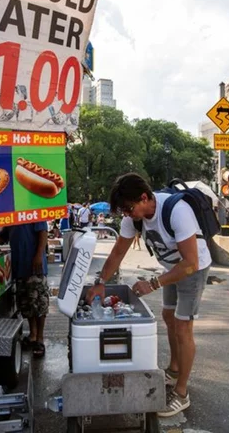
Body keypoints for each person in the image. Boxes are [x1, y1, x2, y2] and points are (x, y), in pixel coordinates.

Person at [86, 173, 212, 417]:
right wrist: (100, 282)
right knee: (168, 316)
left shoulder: (177, 211)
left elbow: (190, 263)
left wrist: (153, 283)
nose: (126, 214)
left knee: (184, 327)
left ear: (144, 198)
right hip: (171, 268)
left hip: (192, 268)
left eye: (128, 208)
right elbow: (117, 253)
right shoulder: (132, 219)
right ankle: (174, 369)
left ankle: (182, 392)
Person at [0, 222, 49, 358]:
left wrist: (39, 255)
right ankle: (32, 335)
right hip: (19, 267)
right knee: (26, 304)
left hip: (35, 267)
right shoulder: (12, 217)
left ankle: (40, 339)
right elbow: (2, 238)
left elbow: (43, 233)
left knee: (39, 303)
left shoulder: (34, 209)